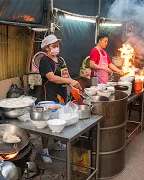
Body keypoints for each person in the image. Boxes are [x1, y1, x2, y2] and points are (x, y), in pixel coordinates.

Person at [39, 34, 82, 163]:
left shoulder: (61, 60)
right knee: (47, 122)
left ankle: (57, 142)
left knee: (59, 118)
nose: (57, 48)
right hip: (49, 95)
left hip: (61, 94)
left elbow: (66, 75)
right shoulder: (44, 61)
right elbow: (51, 78)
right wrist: (69, 80)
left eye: (57, 45)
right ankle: (44, 150)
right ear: (47, 48)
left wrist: (74, 85)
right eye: (54, 46)